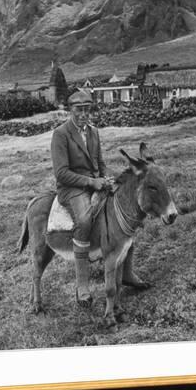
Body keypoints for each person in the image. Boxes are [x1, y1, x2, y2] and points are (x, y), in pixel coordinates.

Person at [50, 90, 113, 307]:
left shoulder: (94, 131)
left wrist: (104, 178)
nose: (83, 114)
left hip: (95, 182)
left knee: (122, 210)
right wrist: (90, 183)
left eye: (87, 109)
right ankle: (82, 285)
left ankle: (127, 273)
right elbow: (61, 173)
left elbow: (100, 162)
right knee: (85, 220)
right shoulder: (61, 134)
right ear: (70, 110)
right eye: (79, 110)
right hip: (71, 189)